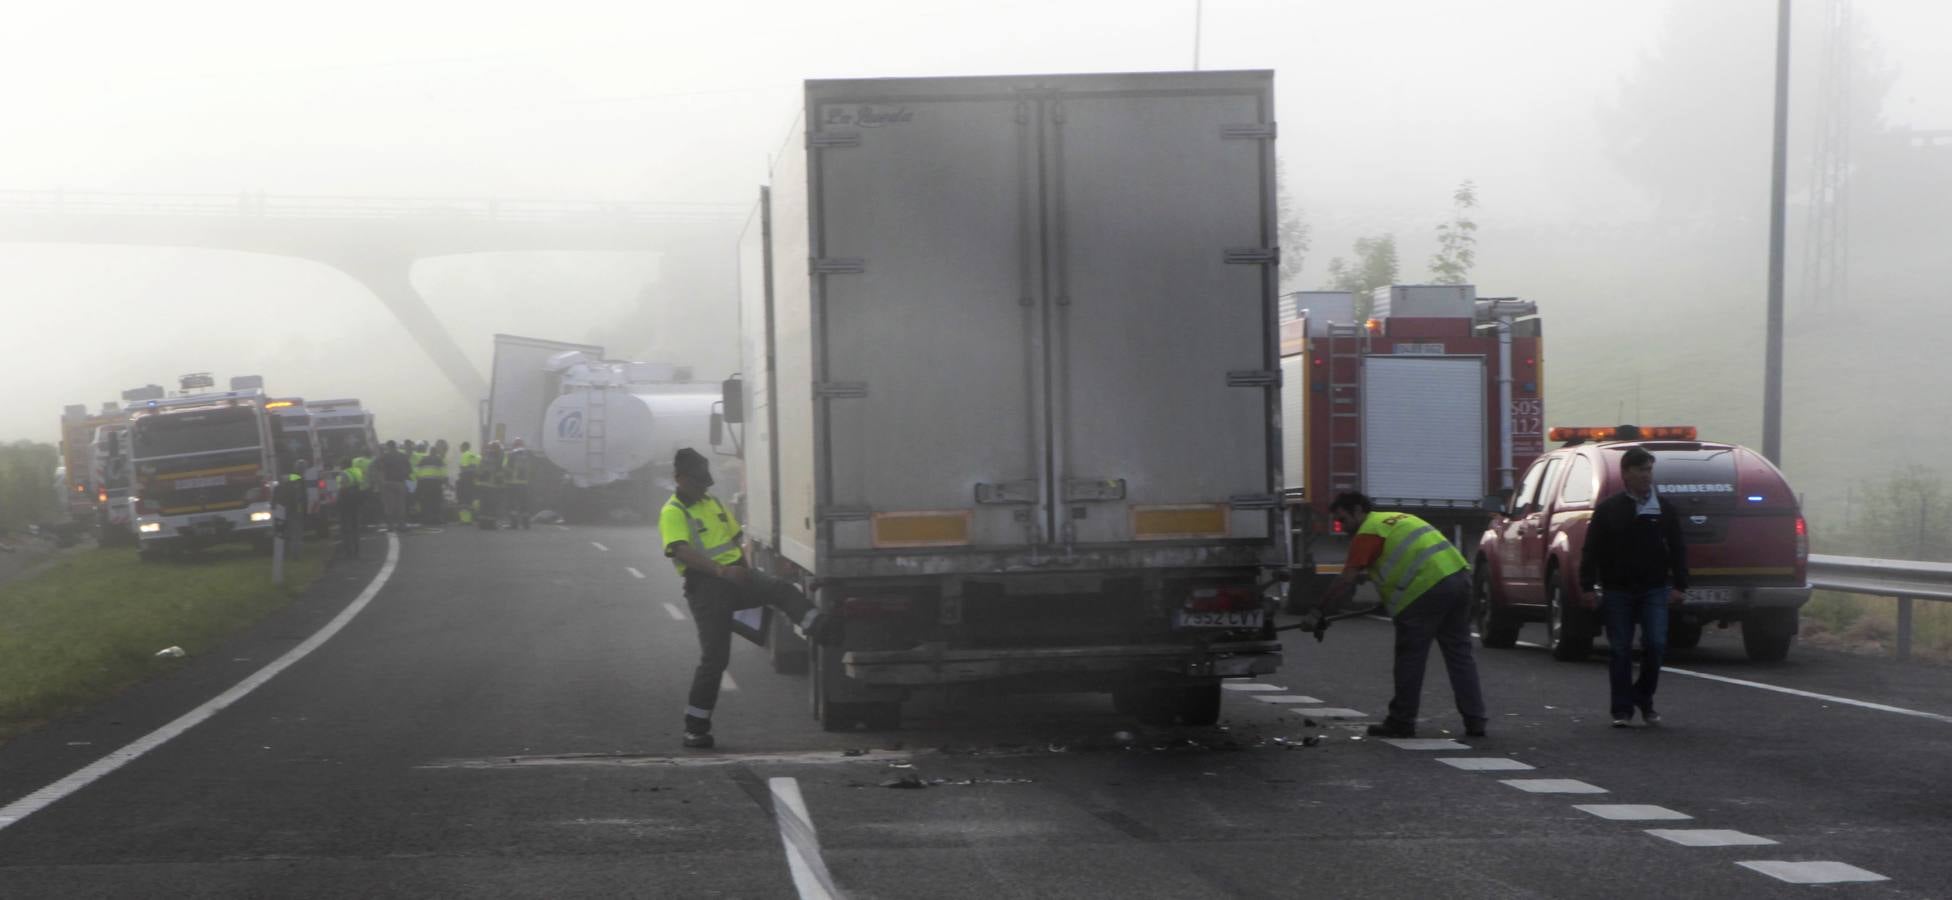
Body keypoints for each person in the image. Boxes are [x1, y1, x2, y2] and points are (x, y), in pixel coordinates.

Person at [660, 448, 829, 749]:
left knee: (780, 589)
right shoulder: (673, 512)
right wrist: (722, 571)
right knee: (715, 659)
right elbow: (681, 550)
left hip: (737, 577)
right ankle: (695, 729)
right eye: (698, 483)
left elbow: (736, 540)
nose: (704, 488)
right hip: (707, 588)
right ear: (679, 478)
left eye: (705, 482)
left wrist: (749, 575)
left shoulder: (712, 502)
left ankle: (820, 628)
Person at [1322, 491, 1488, 739]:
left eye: (1343, 520)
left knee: (1410, 658)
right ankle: (1476, 721)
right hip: (1459, 578)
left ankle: (1402, 721)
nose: (1343, 528)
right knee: (1460, 655)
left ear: (1358, 510)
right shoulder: (1397, 518)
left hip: (1426, 590)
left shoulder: (1368, 531)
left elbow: (1346, 579)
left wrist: (1318, 612)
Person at [1580, 446, 1689, 728]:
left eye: (1649, 470)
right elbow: (1591, 550)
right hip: (1618, 589)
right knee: (1620, 649)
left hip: (1654, 588)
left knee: (1655, 644)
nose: (1646, 476)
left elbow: (1677, 548)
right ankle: (1622, 710)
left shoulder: (1663, 509)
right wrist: (1587, 586)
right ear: (1626, 473)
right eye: (1641, 470)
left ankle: (1642, 696)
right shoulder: (1608, 510)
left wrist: (1680, 584)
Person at [377, 440, 412, 532]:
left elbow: (380, 470)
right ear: (395, 446)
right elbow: (409, 470)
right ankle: (402, 525)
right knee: (401, 505)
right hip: (400, 483)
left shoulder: (384, 457)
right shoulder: (403, 456)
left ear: (387, 447)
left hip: (388, 483)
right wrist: (406, 481)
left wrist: (382, 482)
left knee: (389, 505)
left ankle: (390, 526)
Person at [336, 456, 364, 558]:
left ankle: (348, 551)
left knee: (346, 527)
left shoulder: (344, 473)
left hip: (345, 501)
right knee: (355, 526)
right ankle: (357, 549)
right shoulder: (357, 471)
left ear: (343, 465)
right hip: (356, 500)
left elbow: (342, 486)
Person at [413, 447, 448, 525]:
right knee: (436, 501)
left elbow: (416, 470)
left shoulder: (423, 459)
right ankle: (436, 519)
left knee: (426, 502)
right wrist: (445, 482)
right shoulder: (439, 460)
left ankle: (426, 519)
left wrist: (418, 478)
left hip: (424, 483)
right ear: (435, 452)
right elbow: (444, 472)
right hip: (436, 483)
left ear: (430, 452)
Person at [504, 439, 533, 530]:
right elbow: (531, 469)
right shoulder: (527, 454)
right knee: (524, 504)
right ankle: (526, 524)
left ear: (514, 445)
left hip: (513, 483)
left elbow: (505, 466)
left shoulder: (511, 454)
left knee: (512, 504)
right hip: (524, 483)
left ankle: (514, 524)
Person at [456, 441, 480, 523]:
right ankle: (476, 516)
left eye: (461, 447)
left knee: (464, 501)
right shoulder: (475, 456)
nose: (460, 449)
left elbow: (463, 468)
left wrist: (460, 479)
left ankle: (465, 519)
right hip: (474, 481)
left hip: (465, 480)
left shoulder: (465, 455)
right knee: (472, 499)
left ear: (464, 447)